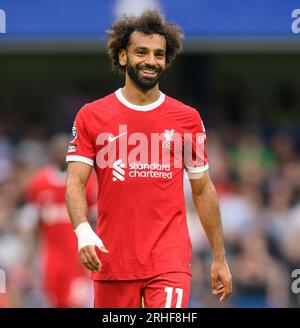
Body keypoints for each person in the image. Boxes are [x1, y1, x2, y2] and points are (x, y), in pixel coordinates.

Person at [65, 10, 232, 308]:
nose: (151, 61)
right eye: (141, 52)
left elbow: (203, 189)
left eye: (159, 54)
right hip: (111, 260)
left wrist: (220, 257)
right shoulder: (92, 116)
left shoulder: (187, 119)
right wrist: (82, 231)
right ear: (122, 57)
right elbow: (76, 182)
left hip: (169, 260)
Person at [24, 134, 97, 307]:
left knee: (76, 302)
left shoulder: (86, 181)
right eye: (57, 152)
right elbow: (32, 225)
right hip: (51, 257)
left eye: (65, 151)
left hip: (78, 256)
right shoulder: (39, 183)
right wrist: (32, 256)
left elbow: (95, 219)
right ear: (51, 154)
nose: (62, 156)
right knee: (54, 301)